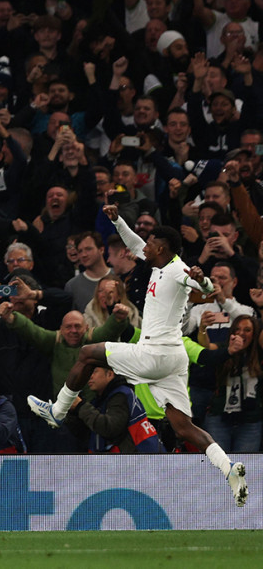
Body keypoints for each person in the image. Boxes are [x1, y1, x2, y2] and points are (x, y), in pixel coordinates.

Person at [28, 204, 248, 507]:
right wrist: (117, 220)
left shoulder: (177, 269)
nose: (144, 247)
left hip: (155, 353)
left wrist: (204, 279)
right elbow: (134, 243)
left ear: (161, 247)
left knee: (88, 353)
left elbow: (204, 286)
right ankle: (228, 468)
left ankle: (59, 411)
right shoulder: (160, 265)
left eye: (150, 243)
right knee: (183, 427)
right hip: (172, 358)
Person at [62, 366, 163, 454]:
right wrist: (74, 412)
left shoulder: (121, 395)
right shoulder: (101, 398)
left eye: (94, 372)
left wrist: (81, 406)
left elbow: (110, 429)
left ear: (110, 374)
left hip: (140, 460)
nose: (90, 376)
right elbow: (85, 433)